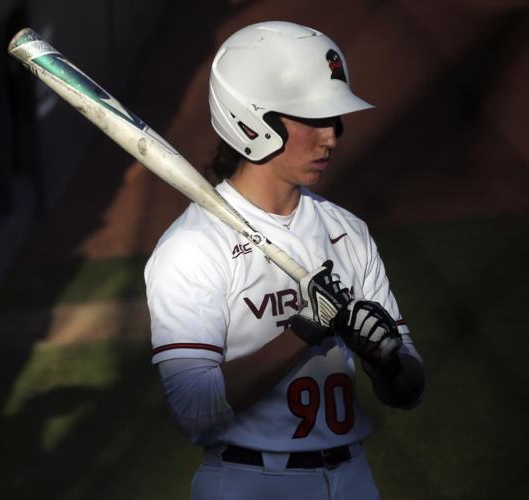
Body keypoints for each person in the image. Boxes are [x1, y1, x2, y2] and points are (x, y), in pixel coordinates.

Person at [144, 20, 425, 500]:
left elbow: (409, 390)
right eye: (312, 119)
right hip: (250, 482)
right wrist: (304, 330)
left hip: (354, 479)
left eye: (334, 120)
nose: (331, 138)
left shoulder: (347, 231)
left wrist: (385, 359)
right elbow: (193, 411)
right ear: (252, 121)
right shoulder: (192, 247)